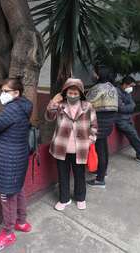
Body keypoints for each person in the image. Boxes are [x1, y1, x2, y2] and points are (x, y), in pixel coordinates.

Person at [0, 78, 33, 252]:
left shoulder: (12, 110)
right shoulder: (24, 105)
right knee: (18, 189)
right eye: (2, 90)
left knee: (7, 196)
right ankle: (21, 222)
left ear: (16, 93)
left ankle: (8, 232)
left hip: (8, 158)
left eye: (6, 91)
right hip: (18, 156)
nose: (2, 94)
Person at [46, 78, 97, 212]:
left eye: (75, 93)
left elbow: (94, 126)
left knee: (79, 174)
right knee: (62, 174)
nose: (72, 95)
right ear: (65, 92)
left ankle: (80, 198)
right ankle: (64, 199)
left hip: (80, 148)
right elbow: (49, 117)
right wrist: (53, 102)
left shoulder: (87, 106)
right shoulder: (60, 105)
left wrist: (91, 139)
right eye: (70, 92)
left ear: (80, 93)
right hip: (61, 147)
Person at [85, 66, 118, 188]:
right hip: (109, 122)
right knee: (103, 147)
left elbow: (86, 103)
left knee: (100, 150)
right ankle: (102, 172)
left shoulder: (97, 88)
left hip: (98, 122)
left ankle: (100, 179)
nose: (93, 74)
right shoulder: (112, 87)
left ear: (99, 75)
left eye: (94, 73)